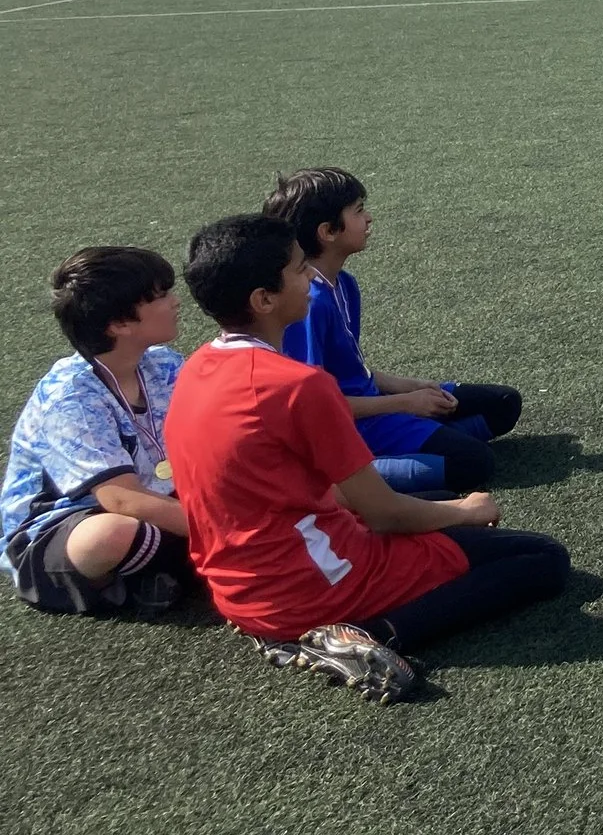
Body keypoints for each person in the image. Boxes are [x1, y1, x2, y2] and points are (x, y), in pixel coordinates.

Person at [164, 215, 570, 703]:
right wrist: (467, 511)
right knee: (541, 557)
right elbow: (385, 513)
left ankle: (310, 623)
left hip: (238, 589)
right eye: (298, 270)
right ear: (263, 299)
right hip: (312, 587)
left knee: (439, 504)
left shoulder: (196, 368)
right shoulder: (295, 386)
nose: (312, 277)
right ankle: (368, 634)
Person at [265, 167, 524, 494]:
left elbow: (347, 368)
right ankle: (346, 479)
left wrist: (407, 386)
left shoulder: (343, 283)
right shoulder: (309, 304)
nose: (369, 218)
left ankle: (415, 442)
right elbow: (315, 409)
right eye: (358, 211)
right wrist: (404, 403)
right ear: (328, 231)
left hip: (375, 404)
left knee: (503, 402)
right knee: (474, 463)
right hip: (355, 425)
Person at [2, 247, 194, 618]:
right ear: (119, 324)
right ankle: (152, 573)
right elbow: (120, 500)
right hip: (63, 526)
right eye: (160, 296)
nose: (175, 302)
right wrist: (228, 529)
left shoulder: (164, 363)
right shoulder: (70, 397)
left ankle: (160, 572)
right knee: (110, 535)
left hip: (152, 499)